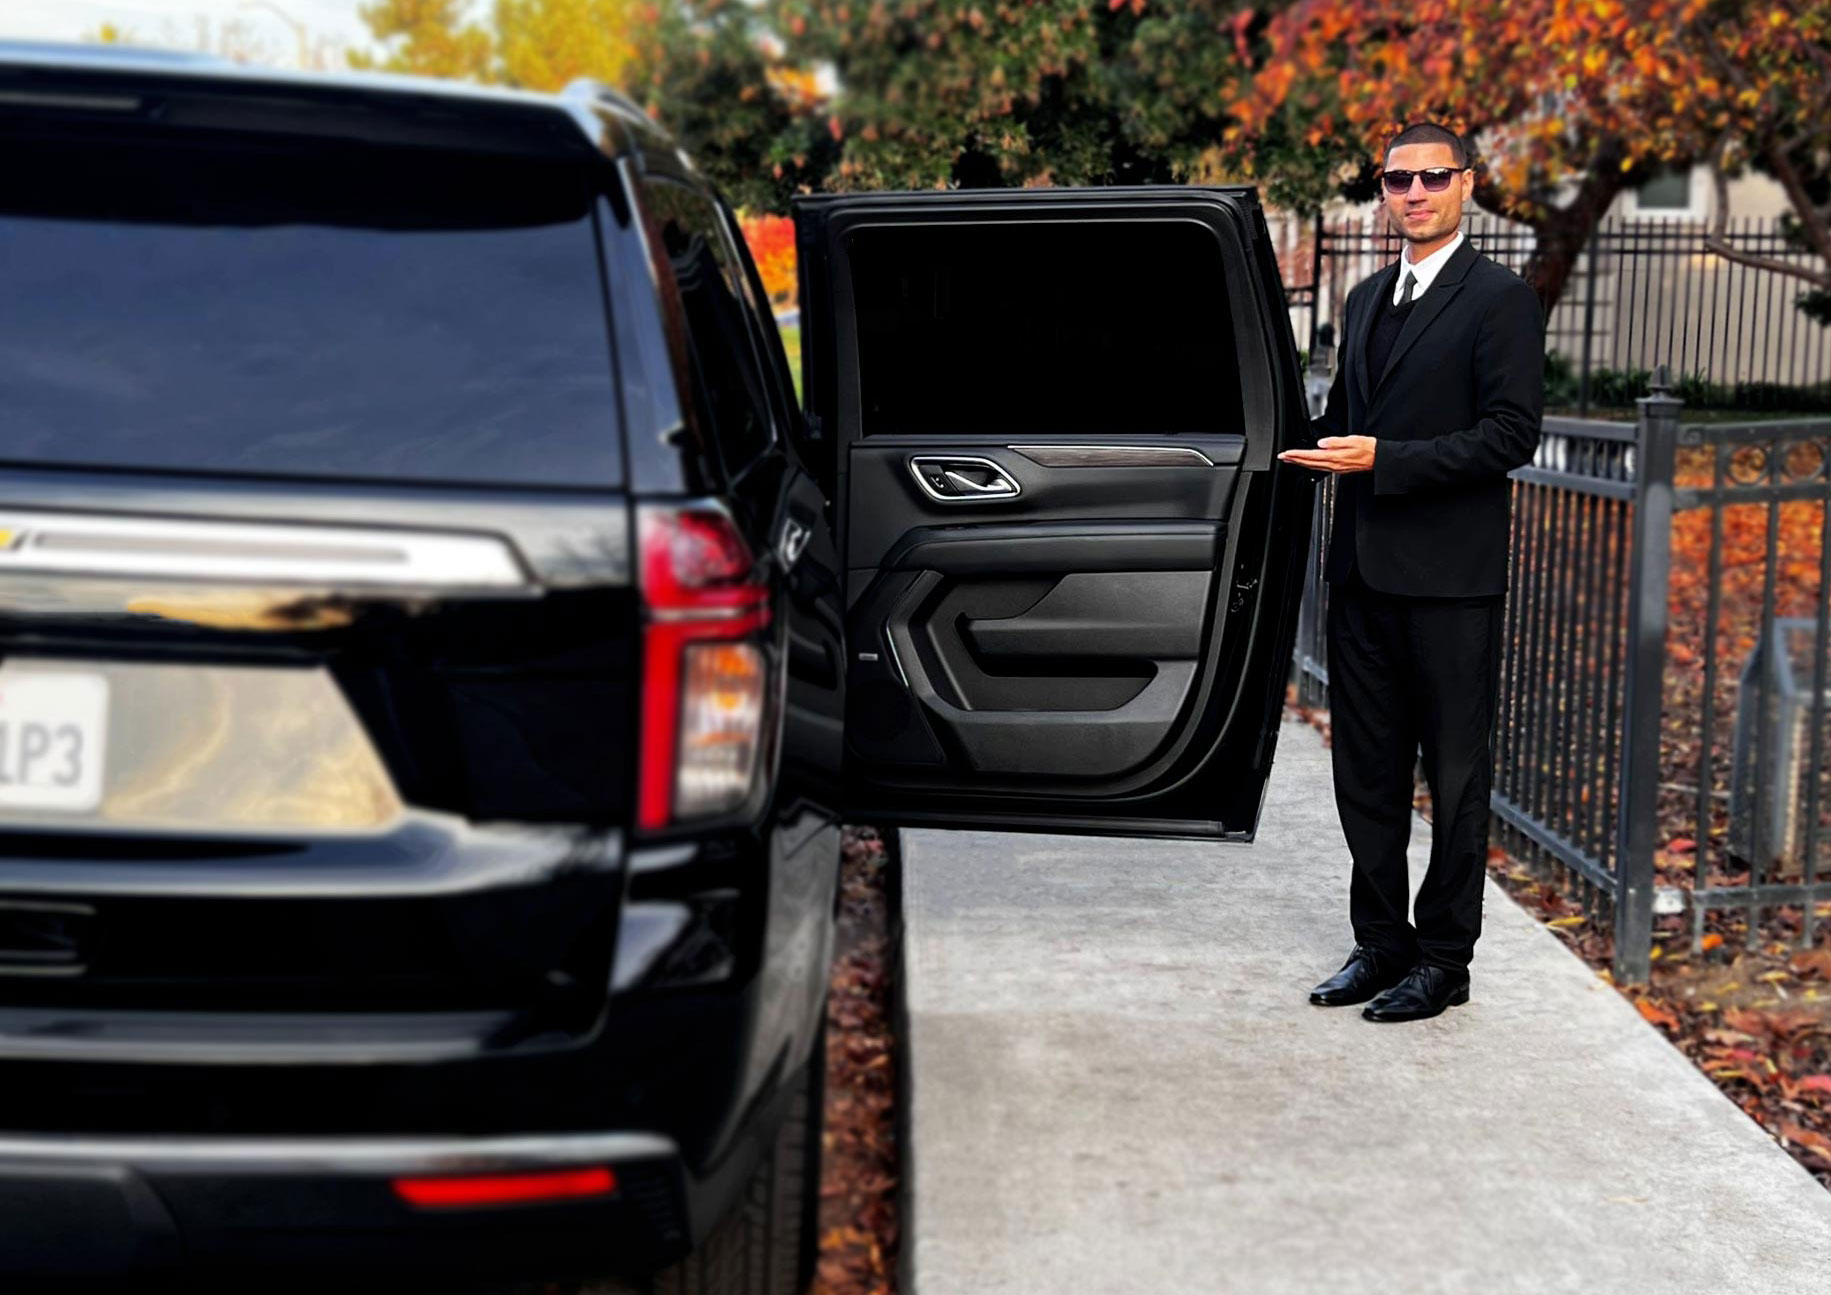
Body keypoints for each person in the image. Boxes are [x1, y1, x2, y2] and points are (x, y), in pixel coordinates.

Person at [1277, 122, 1545, 1023]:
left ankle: (1442, 959)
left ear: (1466, 183)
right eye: (1398, 180)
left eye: (1433, 177)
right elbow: (1340, 420)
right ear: (1382, 190)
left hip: (1448, 582)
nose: (1414, 193)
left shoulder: (1499, 299)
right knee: (1366, 773)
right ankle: (1379, 942)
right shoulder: (1361, 299)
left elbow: (1509, 435)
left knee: (1456, 777)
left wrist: (1383, 462)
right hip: (1359, 574)